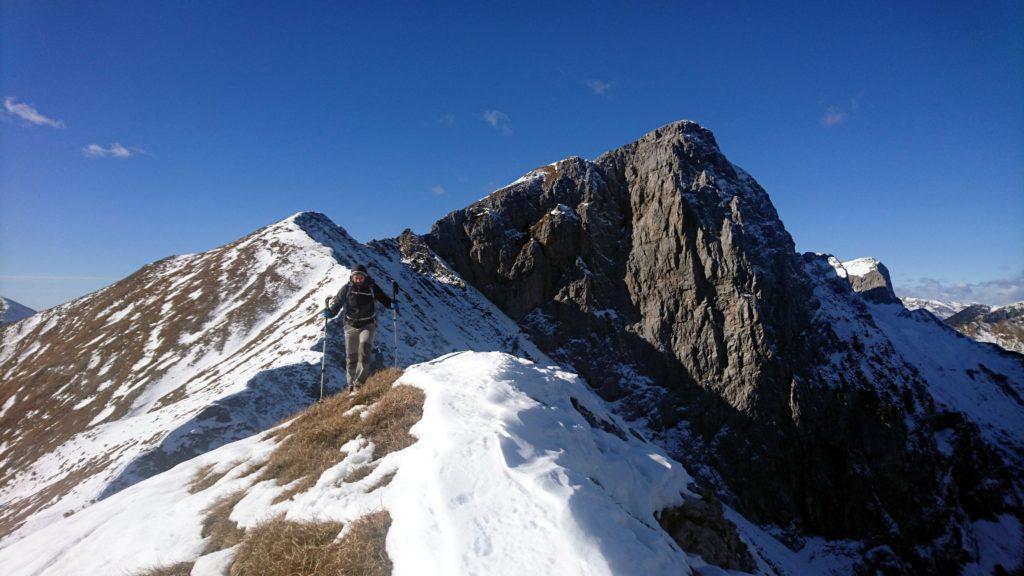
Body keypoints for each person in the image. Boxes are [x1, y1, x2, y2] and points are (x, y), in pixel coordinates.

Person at [323, 264, 396, 390]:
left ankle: (359, 383)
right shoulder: (346, 289)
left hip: (368, 324)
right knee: (351, 357)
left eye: (361, 277)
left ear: (365, 277)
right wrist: (330, 313)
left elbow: (384, 299)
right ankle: (351, 384)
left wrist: (392, 304)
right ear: (352, 277)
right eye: (356, 277)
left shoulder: (372, 288)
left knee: (364, 351)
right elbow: (337, 304)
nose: (358, 279)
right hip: (350, 325)